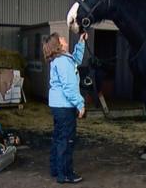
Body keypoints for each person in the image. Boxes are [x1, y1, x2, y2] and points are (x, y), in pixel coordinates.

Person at [42, 32, 88, 184]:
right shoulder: (62, 61)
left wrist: (81, 43)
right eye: (61, 38)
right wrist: (80, 104)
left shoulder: (63, 58)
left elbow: (76, 60)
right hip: (64, 106)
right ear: (58, 45)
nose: (64, 38)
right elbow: (69, 88)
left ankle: (56, 169)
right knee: (66, 140)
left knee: (58, 138)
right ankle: (66, 174)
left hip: (58, 105)